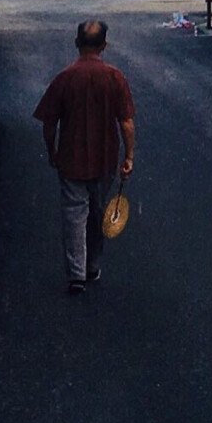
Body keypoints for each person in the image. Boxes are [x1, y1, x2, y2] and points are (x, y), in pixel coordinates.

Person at [33, 20, 135, 294]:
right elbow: (125, 122)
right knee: (98, 212)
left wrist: (51, 150)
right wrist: (129, 156)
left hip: (71, 159)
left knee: (74, 214)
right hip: (104, 160)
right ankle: (92, 266)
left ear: (77, 43)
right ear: (104, 45)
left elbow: (49, 122)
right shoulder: (115, 77)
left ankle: (76, 274)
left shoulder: (65, 77)